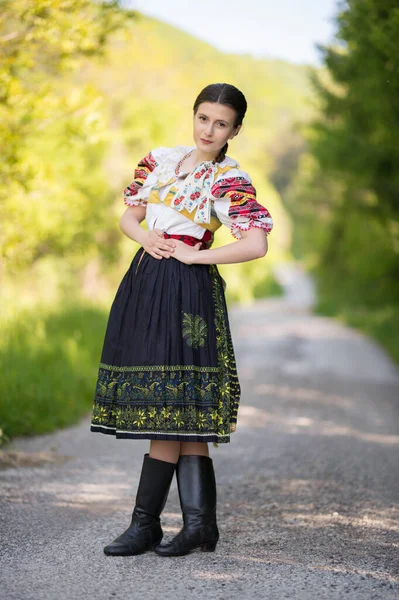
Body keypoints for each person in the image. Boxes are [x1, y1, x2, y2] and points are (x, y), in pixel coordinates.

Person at [90, 82, 273, 557]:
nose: (209, 129)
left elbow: (255, 244)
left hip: (187, 292)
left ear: (236, 129)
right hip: (145, 281)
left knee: (172, 401)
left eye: (221, 123)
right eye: (203, 117)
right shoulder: (160, 160)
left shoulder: (227, 178)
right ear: (193, 116)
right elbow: (129, 217)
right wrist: (145, 238)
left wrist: (195, 259)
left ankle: (146, 525)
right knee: (178, 404)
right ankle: (198, 527)